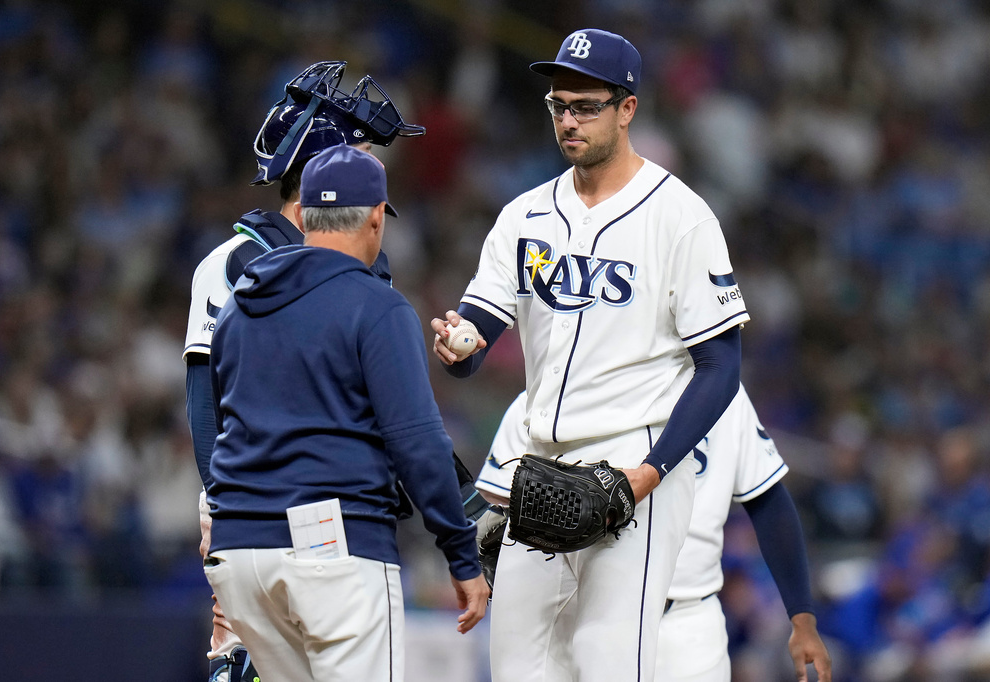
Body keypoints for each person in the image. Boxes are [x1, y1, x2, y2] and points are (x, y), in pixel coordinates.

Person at [431, 28, 750, 681]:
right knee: (520, 664)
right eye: (558, 105)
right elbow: (479, 328)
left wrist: (651, 472)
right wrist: (458, 346)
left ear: (627, 108)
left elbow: (722, 366)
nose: (568, 120)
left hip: (634, 460)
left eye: (585, 106)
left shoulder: (681, 218)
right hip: (539, 464)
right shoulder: (525, 216)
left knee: (609, 659)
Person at [203, 144, 489, 682]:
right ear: (378, 218)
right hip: (331, 546)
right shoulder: (375, 305)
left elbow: (222, 418)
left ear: (306, 215)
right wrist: (460, 552)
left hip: (240, 552)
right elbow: (418, 442)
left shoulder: (240, 302)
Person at [182, 60, 430, 681]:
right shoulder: (237, 260)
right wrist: (224, 501)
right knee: (241, 671)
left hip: (343, 513)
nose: (375, 165)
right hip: (257, 505)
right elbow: (204, 400)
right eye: (361, 149)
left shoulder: (368, 264)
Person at [477, 388, 833, 682]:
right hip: (581, 616)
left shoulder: (725, 395)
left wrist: (802, 616)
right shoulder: (557, 384)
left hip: (685, 624)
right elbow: (495, 508)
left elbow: (768, 499)